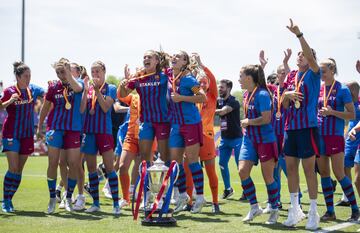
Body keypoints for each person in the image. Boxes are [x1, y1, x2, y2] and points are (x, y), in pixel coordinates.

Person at [281, 19, 321, 230]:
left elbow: (308, 53)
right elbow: (284, 103)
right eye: (298, 54)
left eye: (303, 54)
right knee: (290, 168)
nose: (300, 55)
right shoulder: (291, 76)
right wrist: (286, 94)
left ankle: (314, 211)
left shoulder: (314, 73)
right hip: (290, 128)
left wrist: (299, 36)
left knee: (308, 170)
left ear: (311, 58)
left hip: (307, 127)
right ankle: (295, 209)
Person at [38, 58, 84, 213]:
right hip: (56, 128)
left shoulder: (78, 82)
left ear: (68, 70)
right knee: (53, 163)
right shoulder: (53, 87)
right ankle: (52, 198)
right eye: (57, 72)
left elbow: (77, 89)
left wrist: (68, 75)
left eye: (62, 71)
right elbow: (45, 107)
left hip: (73, 129)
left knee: (74, 164)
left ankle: (69, 197)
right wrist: (40, 126)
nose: (60, 75)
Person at [316, 58, 359, 221]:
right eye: (319, 72)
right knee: (324, 174)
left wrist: (333, 112)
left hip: (334, 136)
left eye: (323, 71)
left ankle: (355, 209)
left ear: (332, 70)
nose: (321, 74)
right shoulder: (319, 89)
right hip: (320, 136)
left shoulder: (342, 89)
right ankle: (330, 211)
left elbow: (352, 114)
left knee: (339, 173)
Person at [237, 64, 279, 224]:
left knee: (268, 176)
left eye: (240, 76)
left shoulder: (262, 94)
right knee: (242, 171)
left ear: (249, 78)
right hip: (249, 139)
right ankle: (254, 207)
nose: (239, 79)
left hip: (265, 139)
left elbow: (266, 118)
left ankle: (274, 209)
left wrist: (248, 121)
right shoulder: (247, 94)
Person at [1, 61, 45, 212]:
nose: (28, 78)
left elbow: (47, 93)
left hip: (27, 134)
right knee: (12, 168)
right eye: (26, 76)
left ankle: (9, 199)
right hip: (11, 133)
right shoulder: (9, 91)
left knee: (19, 170)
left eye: (30, 75)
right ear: (17, 77)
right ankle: (6, 201)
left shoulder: (33, 89)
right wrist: (9, 101)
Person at [168, 51, 207, 213]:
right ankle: (183, 195)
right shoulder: (169, 77)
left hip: (191, 123)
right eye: (173, 56)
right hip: (176, 124)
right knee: (175, 163)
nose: (174, 58)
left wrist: (182, 98)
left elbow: (203, 97)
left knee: (192, 160)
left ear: (185, 62)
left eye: (179, 57)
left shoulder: (189, 79)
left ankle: (200, 197)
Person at [81, 61, 120, 215]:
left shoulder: (110, 88)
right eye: (93, 72)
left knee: (109, 168)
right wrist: (85, 91)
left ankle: (116, 204)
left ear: (104, 72)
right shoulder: (89, 89)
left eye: (97, 71)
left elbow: (105, 107)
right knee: (91, 169)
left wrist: (97, 91)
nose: (95, 75)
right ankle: (96, 203)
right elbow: (82, 109)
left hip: (104, 131)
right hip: (90, 132)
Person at [118, 50, 170, 167]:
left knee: (165, 157)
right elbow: (124, 93)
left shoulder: (164, 76)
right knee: (144, 157)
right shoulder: (138, 78)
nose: (146, 59)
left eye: (149, 57)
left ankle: (167, 185)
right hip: (146, 122)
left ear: (157, 61)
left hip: (163, 121)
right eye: (144, 57)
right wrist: (122, 85)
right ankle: (148, 184)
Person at [183, 53, 220, 213]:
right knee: (188, 169)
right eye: (200, 82)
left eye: (206, 82)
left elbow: (210, 76)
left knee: (211, 170)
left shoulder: (212, 96)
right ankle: (189, 201)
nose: (203, 84)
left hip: (207, 136)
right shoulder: (192, 96)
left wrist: (201, 64)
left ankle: (215, 202)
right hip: (191, 134)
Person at [215, 80, 243, 199]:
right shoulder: (218, 101)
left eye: (222, 87)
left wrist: (208, 111)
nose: (219, 89)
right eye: (219, 87)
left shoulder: (234, 101)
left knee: (240, 167)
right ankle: (228, 189)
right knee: (221, 164)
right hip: (225, 139)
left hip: (237, 139)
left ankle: (246, 190)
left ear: (229, 88)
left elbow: (223, 111)